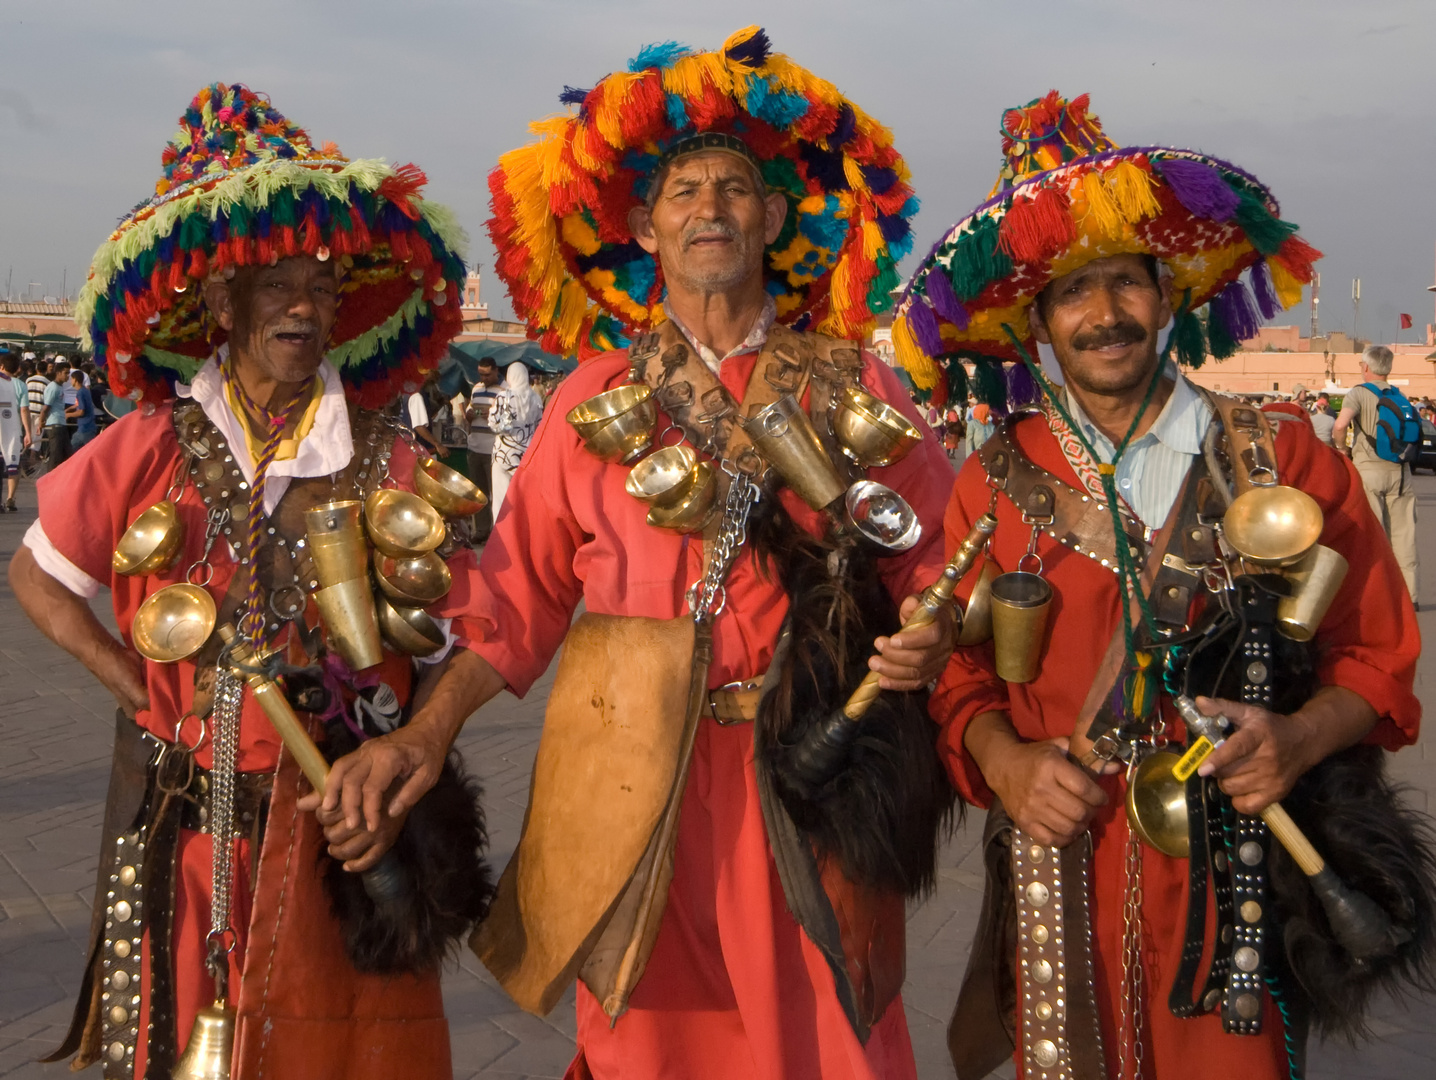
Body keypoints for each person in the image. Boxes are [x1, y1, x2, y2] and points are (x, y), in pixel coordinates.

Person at [324, 26, 955, 1080]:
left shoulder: (856, 391)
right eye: (682, 192)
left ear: (768, 216)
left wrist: (928, 636)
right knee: (648, 1047)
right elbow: (515, 599)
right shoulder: (587, 401)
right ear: (644, 231)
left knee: (831, 1036)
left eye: (731, 187)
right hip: (629, 784)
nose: (708, 206)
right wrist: (425, 734)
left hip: (812, 773)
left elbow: (932, 564)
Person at [893, 92, 1425, 1080]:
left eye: (1121, 283)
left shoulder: (1285, 465)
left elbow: (1376, 657)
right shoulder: (988, 481)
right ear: (1036, 323)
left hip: (1238, 888)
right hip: (1056, 870)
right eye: (1070, 294)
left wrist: (1297, 738)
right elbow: (951, 674)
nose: (1101, 315)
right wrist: (1001, 760)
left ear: (1165, 293)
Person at [7, 83, 492, 1079]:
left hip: (347, 850)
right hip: (196, 833)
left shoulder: (392, 462)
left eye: (321, 287)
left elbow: (473, 635)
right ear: (221, 304)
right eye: (277, 286)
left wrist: (412, 750)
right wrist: (134, 687)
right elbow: (40, 575)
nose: (305, 308)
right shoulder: (142, 448)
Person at [1333, 345, 1418, 603]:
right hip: (1400, 473)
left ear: (1366, 367)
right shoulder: (1398, 395)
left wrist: (1341, 447)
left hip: (1369, 470)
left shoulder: (1358, 393)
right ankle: (1409, 596)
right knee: (1404, 536)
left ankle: (1377, 596)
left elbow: (1340, 424)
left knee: (1372, 534)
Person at [487, 361, 542, 517]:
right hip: (527, 455)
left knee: (501, 500)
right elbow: (539, 426)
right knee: (524, 501)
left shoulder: (503, 396)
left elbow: (493, 423)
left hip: (503, 453)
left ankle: (502, 537)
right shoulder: (536, 398)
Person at [464, 356, 501, 540]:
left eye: (487, 375)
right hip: (475, 446)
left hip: (492, 449)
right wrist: (470, 414)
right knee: (479, 493)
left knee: (496, 492)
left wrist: (488, 413)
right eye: (480, 374)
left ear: (495, 371)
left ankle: (497, 531)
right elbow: (471, 411)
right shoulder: (476, 389)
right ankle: (481, 530)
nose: (483, 378)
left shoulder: (505, 390)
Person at [0, 351, 31, 510]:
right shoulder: (19, 385)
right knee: (13, 466)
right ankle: (10, 497)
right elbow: (24, 410)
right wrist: (28, 432)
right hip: (13, 429)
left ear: (2, 366)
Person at [39, 361, 70, 468]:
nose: (68, 376)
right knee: (55, 455)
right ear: (58, 373)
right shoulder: (53, 387)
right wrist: (40, 422)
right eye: (66, 373)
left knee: (67, 454)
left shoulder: (60, 387)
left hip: (61, 423)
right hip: (54, 425)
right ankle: (49, 479)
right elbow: (46, 408)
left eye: (68, 373)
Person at [66, 366, 99, 449]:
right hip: (89, 426)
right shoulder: (85, 391)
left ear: (75, 380)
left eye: (71, 379)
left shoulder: (80, 393)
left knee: (72, 450)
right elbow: (78, 404)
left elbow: (81, 411)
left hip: (85, 428)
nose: (70, 381)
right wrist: (68, 409)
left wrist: (68, 415)